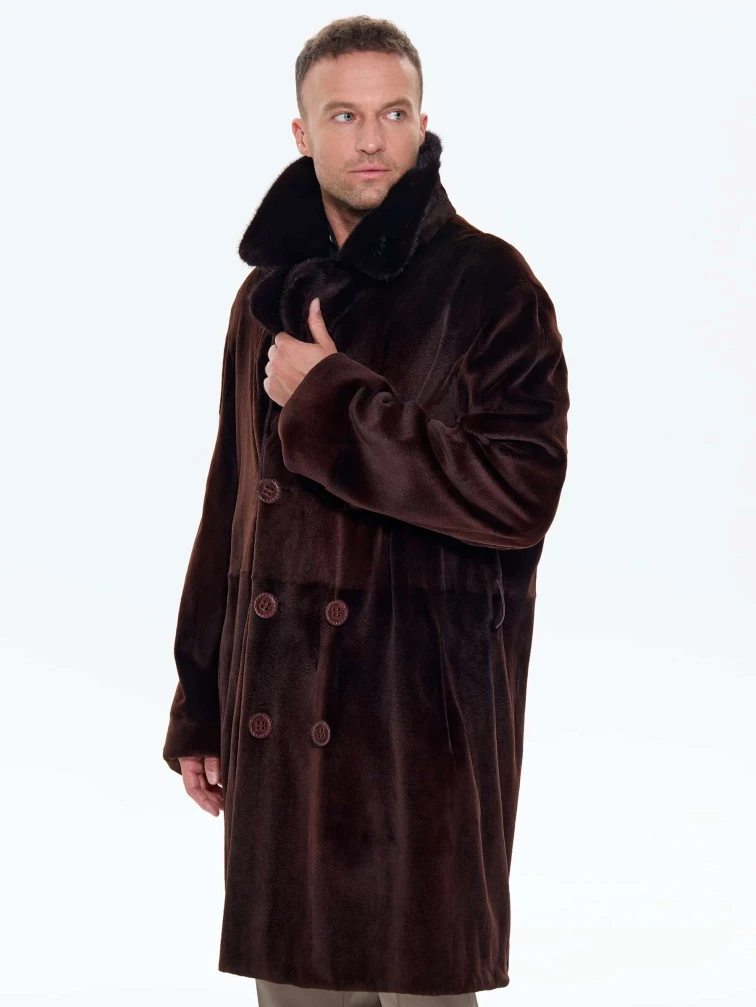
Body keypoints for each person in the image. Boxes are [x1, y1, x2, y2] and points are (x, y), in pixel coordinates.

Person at [163, 15, 569, 1007]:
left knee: (423, 982)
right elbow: (230, 501)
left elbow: (520, 493)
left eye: (393, 113)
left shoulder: (491, 286)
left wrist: (333, 404)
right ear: (302, 132)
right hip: (281, 723)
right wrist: (202, 695)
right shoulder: (264, 297)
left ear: (423, 123)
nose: (373, 139)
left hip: (419, 729)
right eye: (344, 116)